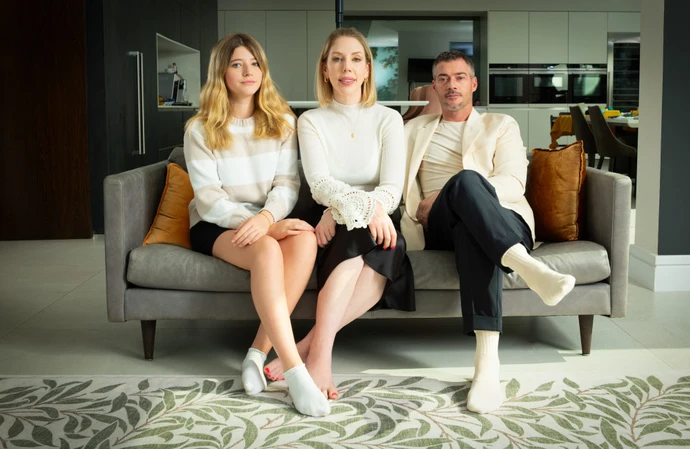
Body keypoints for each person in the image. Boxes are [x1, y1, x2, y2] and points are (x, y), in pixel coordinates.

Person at [402, 51, 576, 414]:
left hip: (504, 218)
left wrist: (455, 192)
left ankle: (486, 368)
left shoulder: (501, 124)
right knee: (464, 196)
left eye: (460, 77)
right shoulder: (411, 130)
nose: (452, 85)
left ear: (473, 84)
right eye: (444, 78)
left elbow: (513, 182)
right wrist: (442, 200)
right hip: (437, 225)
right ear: (433, 86)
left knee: (470, 209)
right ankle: (529, 269)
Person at [263, 27, 414, 400]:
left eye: (356, 59)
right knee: (365, 240)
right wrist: (344, 207)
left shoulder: (389, 119)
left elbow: (393, 187)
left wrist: (369, 209)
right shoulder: (311, 120)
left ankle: (311, 349)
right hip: (331, 214)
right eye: (337, 59)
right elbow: (319, 183)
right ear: (325, 69)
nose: (347, 67)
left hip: (381, 211)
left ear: (366, 70)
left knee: (385, 246)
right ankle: (321, 358)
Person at [183, 33, 329, 417]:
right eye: (237, 64)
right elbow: (209, 199)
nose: (249, 72)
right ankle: (296, 372)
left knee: (306, 239)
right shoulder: (200, 129)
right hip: (216, 223)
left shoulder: (282, 121)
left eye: (255, 64)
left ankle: (255, 354)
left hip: (265, 218)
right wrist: (259, 226)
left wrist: (267, 218)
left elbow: (288, 185)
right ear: (221, 73)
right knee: (266, 248)